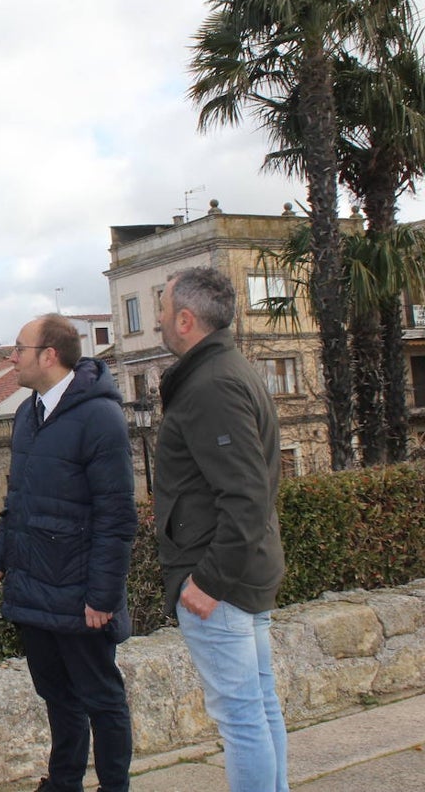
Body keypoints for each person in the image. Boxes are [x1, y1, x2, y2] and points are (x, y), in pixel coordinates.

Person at [0, 313, 137, 792]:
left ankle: (115, 786)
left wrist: (102, 597)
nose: (11, 358)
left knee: (102, 698)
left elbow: (116, 517)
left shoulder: (101, 417)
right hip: (34, 588)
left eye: (19, 349)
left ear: (49, 355)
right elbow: (20, 501)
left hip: (81, 594)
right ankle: (64, 782)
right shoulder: (28, 414)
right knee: (56, 697)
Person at [154, 266, 288, 792]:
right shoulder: (226, 371)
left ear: (185, 320)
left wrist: (207, 582)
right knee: (258, 707)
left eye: (163, 309)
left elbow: (247, 496)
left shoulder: (211, 385)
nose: (160, 319)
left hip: (221, 582)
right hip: (242, 574)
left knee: (241, 719)